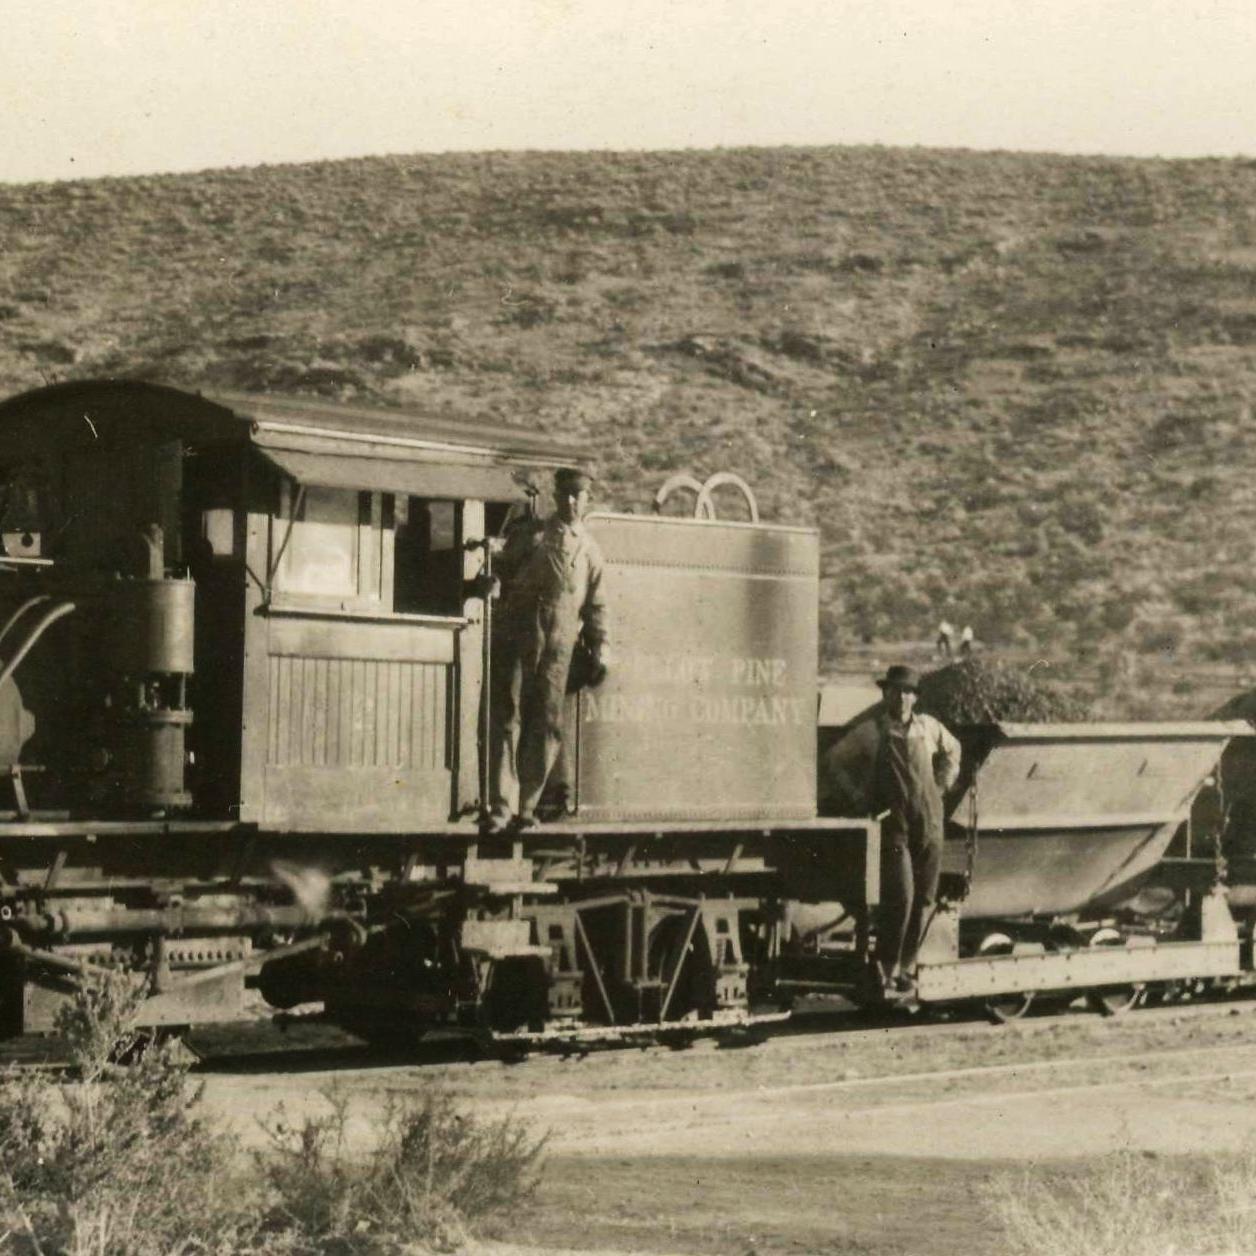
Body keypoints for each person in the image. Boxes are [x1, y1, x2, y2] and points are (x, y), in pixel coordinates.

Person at [821, 664, 961, 994]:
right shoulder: (871, 731)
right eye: (896, 690)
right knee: (901, 897)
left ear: (915, 697)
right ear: (886, 694)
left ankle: (908, 967)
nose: (902, 697)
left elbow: (954, 751)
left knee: (925, 898)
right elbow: (834, 762)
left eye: (908, 692)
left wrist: (941, 785)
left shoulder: (929, 728)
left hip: (930, 822)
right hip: (895, 825)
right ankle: (888, 966)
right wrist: (859, 797)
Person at [487, 467, 610, 831]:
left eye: (578, 495)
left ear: (588, 500)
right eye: (565, 495)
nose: (571, 502)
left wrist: (602, 647)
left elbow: (597, 605)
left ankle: (527, 807)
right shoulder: (532, 537)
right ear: (556, 498)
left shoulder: (589, 552)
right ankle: (500, 806)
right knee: (508, 719)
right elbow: (502, 568)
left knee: (545, 724)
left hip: (558, 647)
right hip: (516, 638)